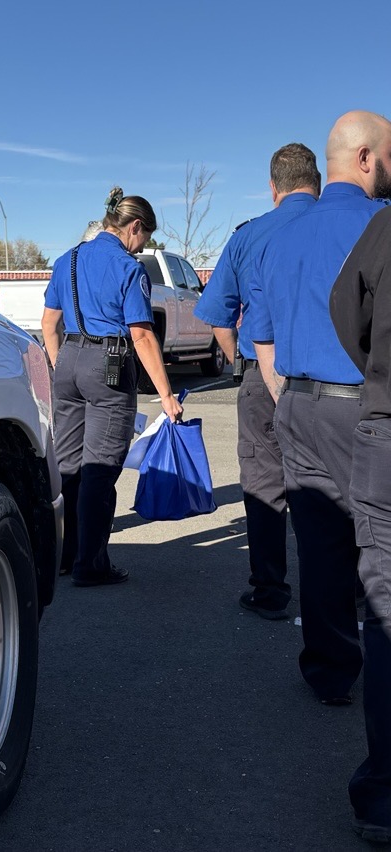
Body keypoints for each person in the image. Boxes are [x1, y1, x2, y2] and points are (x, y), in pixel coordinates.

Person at [249, 110, 391, 706]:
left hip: (297, 406)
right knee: (377, 551)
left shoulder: (276, 238)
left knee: (320, 543)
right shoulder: (379, 225)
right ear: (364, 158)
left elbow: (260, 333)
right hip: (362, 409)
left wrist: (286, 398)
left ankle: (331, 671)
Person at [193, 143, 321, 620]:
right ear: (317, 180)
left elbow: (219, 317)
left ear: (273, 188)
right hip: (333, 381)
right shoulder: (343, 225)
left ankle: (270, 591)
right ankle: (345, 590)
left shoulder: (249, 237)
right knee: (333, 487)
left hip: (259, 375)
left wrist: (239, 364)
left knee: (265, 483)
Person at [42, 187, 183, 587]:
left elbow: (49, 323)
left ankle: (63, 558)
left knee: (69, 467)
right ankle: (92, 564)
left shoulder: (66, 260)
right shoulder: (128, 269)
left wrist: (61, 367)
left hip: (67, 361)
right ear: (134, 227)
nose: (143, 247)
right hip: (109, 365)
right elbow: (141, 336)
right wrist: (168, 396)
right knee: (100, 471)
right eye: (146, 239)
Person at [330, 205, 391, 843]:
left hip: (386, 426)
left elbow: (347, 311)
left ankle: (384, 798)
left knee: (385, 607)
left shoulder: (385, 228)